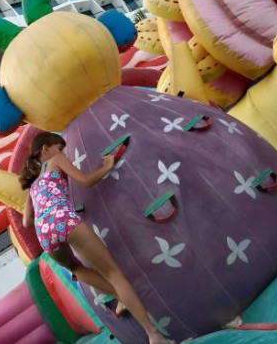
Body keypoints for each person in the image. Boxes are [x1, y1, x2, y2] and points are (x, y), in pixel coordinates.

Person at [21, 131, 175, 344]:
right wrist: (107, 166)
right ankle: (153, 334)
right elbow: (86, 181)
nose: (63, 152)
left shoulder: (33, 185)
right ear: (45, 149)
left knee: (75, 268)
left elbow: (26, 222)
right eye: (60, 148)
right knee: (113, 272)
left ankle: (120, 297)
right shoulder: (55, 160)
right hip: (62, 218)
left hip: (44, 233)